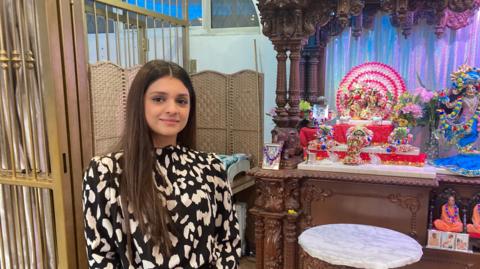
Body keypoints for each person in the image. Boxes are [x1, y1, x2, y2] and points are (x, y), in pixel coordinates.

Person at [82, 60, 241, 268]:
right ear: (139, 103)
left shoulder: (210, 167)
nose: (172, 109)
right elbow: (101, 255)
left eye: (182, 101)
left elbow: (228, 241)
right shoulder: (106, 171)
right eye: (159, 99)